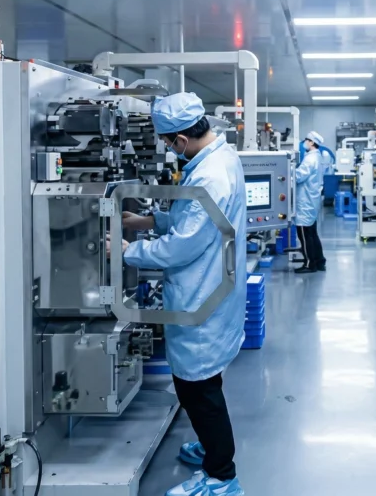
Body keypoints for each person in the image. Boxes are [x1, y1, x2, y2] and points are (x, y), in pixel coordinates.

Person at [118, 92, 246, 496]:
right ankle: (211, 448)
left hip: (202, 294)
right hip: (212, 288)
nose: (168, 149)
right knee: (202, 382)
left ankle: (221, 475)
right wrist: (148, 218)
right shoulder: (218, 160)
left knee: (199, 388)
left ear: (179, 140)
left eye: (166, 142)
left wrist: (127, 250)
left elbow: (183, 244)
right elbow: (192, 214)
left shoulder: (210, 175)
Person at [293, 131, 327, 274]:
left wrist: (288, 171)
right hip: (312, 200)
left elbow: (299, 176)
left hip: (305, 201)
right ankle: (319, 262)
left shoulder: (310, 159)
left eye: (306, 140)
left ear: (312, 142)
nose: (304, 143)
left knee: (304, 234)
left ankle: (309, 264)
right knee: (312, 233)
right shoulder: (317, 157)